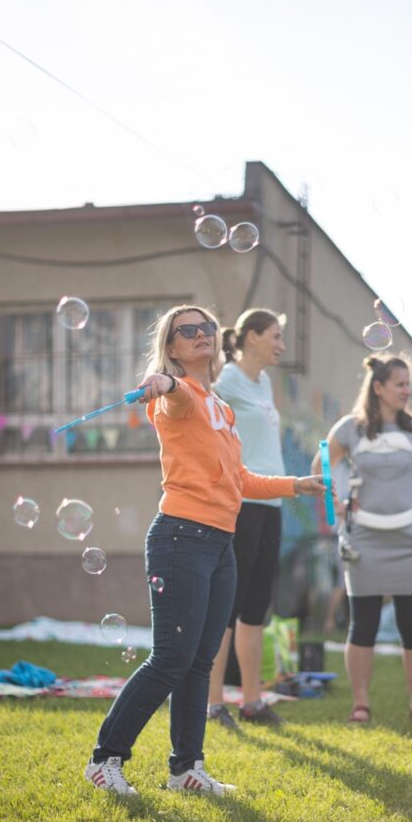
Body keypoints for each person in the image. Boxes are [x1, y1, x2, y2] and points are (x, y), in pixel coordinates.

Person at [84, 305, 325, 796]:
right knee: (170, 659)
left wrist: (294, 485)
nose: (201, 335)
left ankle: (186, 769)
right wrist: (162, 382)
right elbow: (173, 397)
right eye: (187, 330)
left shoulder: (221, 406)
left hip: (219, 544)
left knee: (199, 661)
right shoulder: (179, 397)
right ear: (171, 347)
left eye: (207, 328)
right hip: (180, 538)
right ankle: (105, 760)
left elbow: (239, 479)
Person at [313, 354, 412, 729]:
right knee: (363, 625)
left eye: (408, 384)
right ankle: (360, 704)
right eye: (399, 384)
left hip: (410, 537)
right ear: (378, 387)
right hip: (364, 538)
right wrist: (335, 506)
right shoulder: (351, 428)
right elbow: (320, 468)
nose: (407, 390)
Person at [207, 308, 288, 730]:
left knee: (256, 606)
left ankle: (252, 702)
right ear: (252, 337)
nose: (281, 345)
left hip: (272, 503)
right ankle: (213, 703)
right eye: (276, 336)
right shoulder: (226, 381)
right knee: (228, 604)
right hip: (241, 503)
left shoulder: (265, 382)